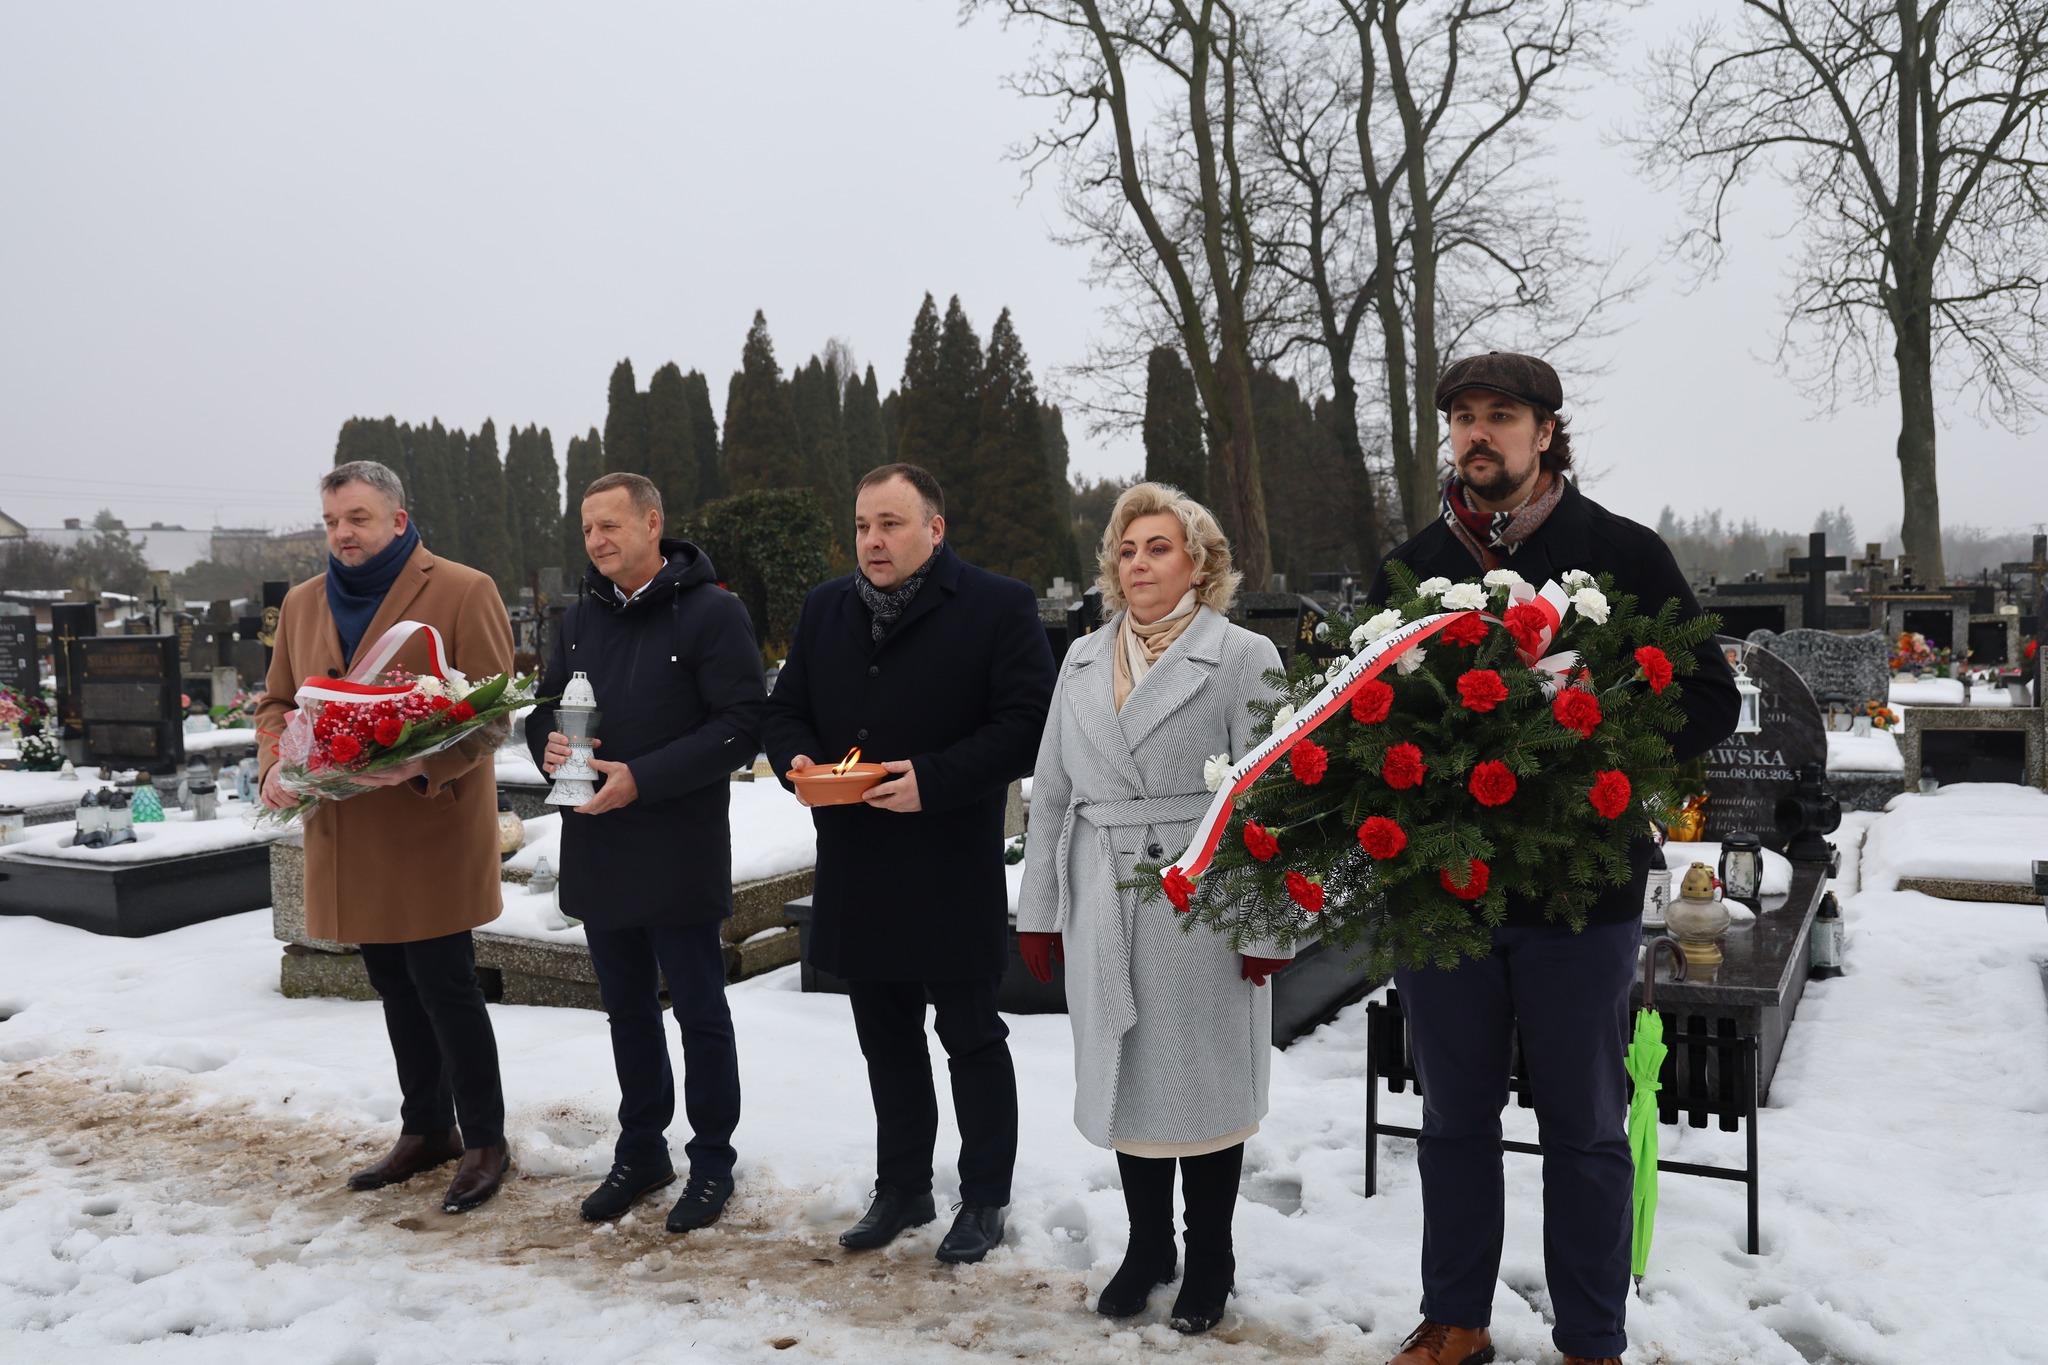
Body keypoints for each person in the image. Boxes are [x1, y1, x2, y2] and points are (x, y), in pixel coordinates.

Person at [1369, 353, 1738, 1365]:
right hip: (1441, 896)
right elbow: (1350, 714)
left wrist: (1598, 741)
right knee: (1451, 1120)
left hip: (1576, 896)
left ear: (1544, 434)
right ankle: (1454, 1319)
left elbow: (1709, 698)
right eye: (1462, 419)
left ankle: (1589, 1338)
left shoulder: (1618, 553)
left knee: (1581, 1124)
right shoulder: (1408, 566)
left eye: (1501, 417)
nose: (1477, 435)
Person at [1015, 482, 1295, 1335]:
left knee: (1203, 1086)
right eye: (1127, 550)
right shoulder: (1084, 658)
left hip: (1202, 899)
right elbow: (1053, 793)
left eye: (1159, 547)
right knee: (1128, 1078)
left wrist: (1270, 926)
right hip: (1104, 896)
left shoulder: (1244, 655)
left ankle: (1212, 1253)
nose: (1139, 563)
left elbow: (1273, 800)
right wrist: (1039, 908)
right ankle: (1149, 1248)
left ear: (1199, 561)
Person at [761, 463, 1055, 1265]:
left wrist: (936, 778)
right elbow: (786, 709)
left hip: (946, 862)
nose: (872, 541)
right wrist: (798, 762)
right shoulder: (827, 607)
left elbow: (1028, 722)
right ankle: (903, 1186)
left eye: (890, 524)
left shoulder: (997, 604)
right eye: (862, 525)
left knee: (969, 1034)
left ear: (936, 527)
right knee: (884, 1038)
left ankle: (985, 1195)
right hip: (857, 860)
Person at [256, 460, 516, 1214]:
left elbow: (493, 710)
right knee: (393, 982)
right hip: (347, 829)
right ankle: (426, 1126)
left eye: (358, 519)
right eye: (333, 521)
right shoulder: (304, 603)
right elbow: (276, 702)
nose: (343, 534)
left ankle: (485, 1138)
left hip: (427, 825)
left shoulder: (463, 589)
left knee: (445, 982)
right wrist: (274, 760)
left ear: (398, 521)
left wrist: (420, 764)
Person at [525, 472, 763, 1233]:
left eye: (610, 526)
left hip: (676, 844)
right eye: (588, 528)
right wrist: (546, 743)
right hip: (597, 842)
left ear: (652, 522)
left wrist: (646, 778)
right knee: (627, 1009)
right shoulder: (578, 618)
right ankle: (642, 1147)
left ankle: (715, 1157)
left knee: (698, 1010)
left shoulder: (711, 612)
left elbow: (741, 722)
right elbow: (543, 705)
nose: (596, 540)